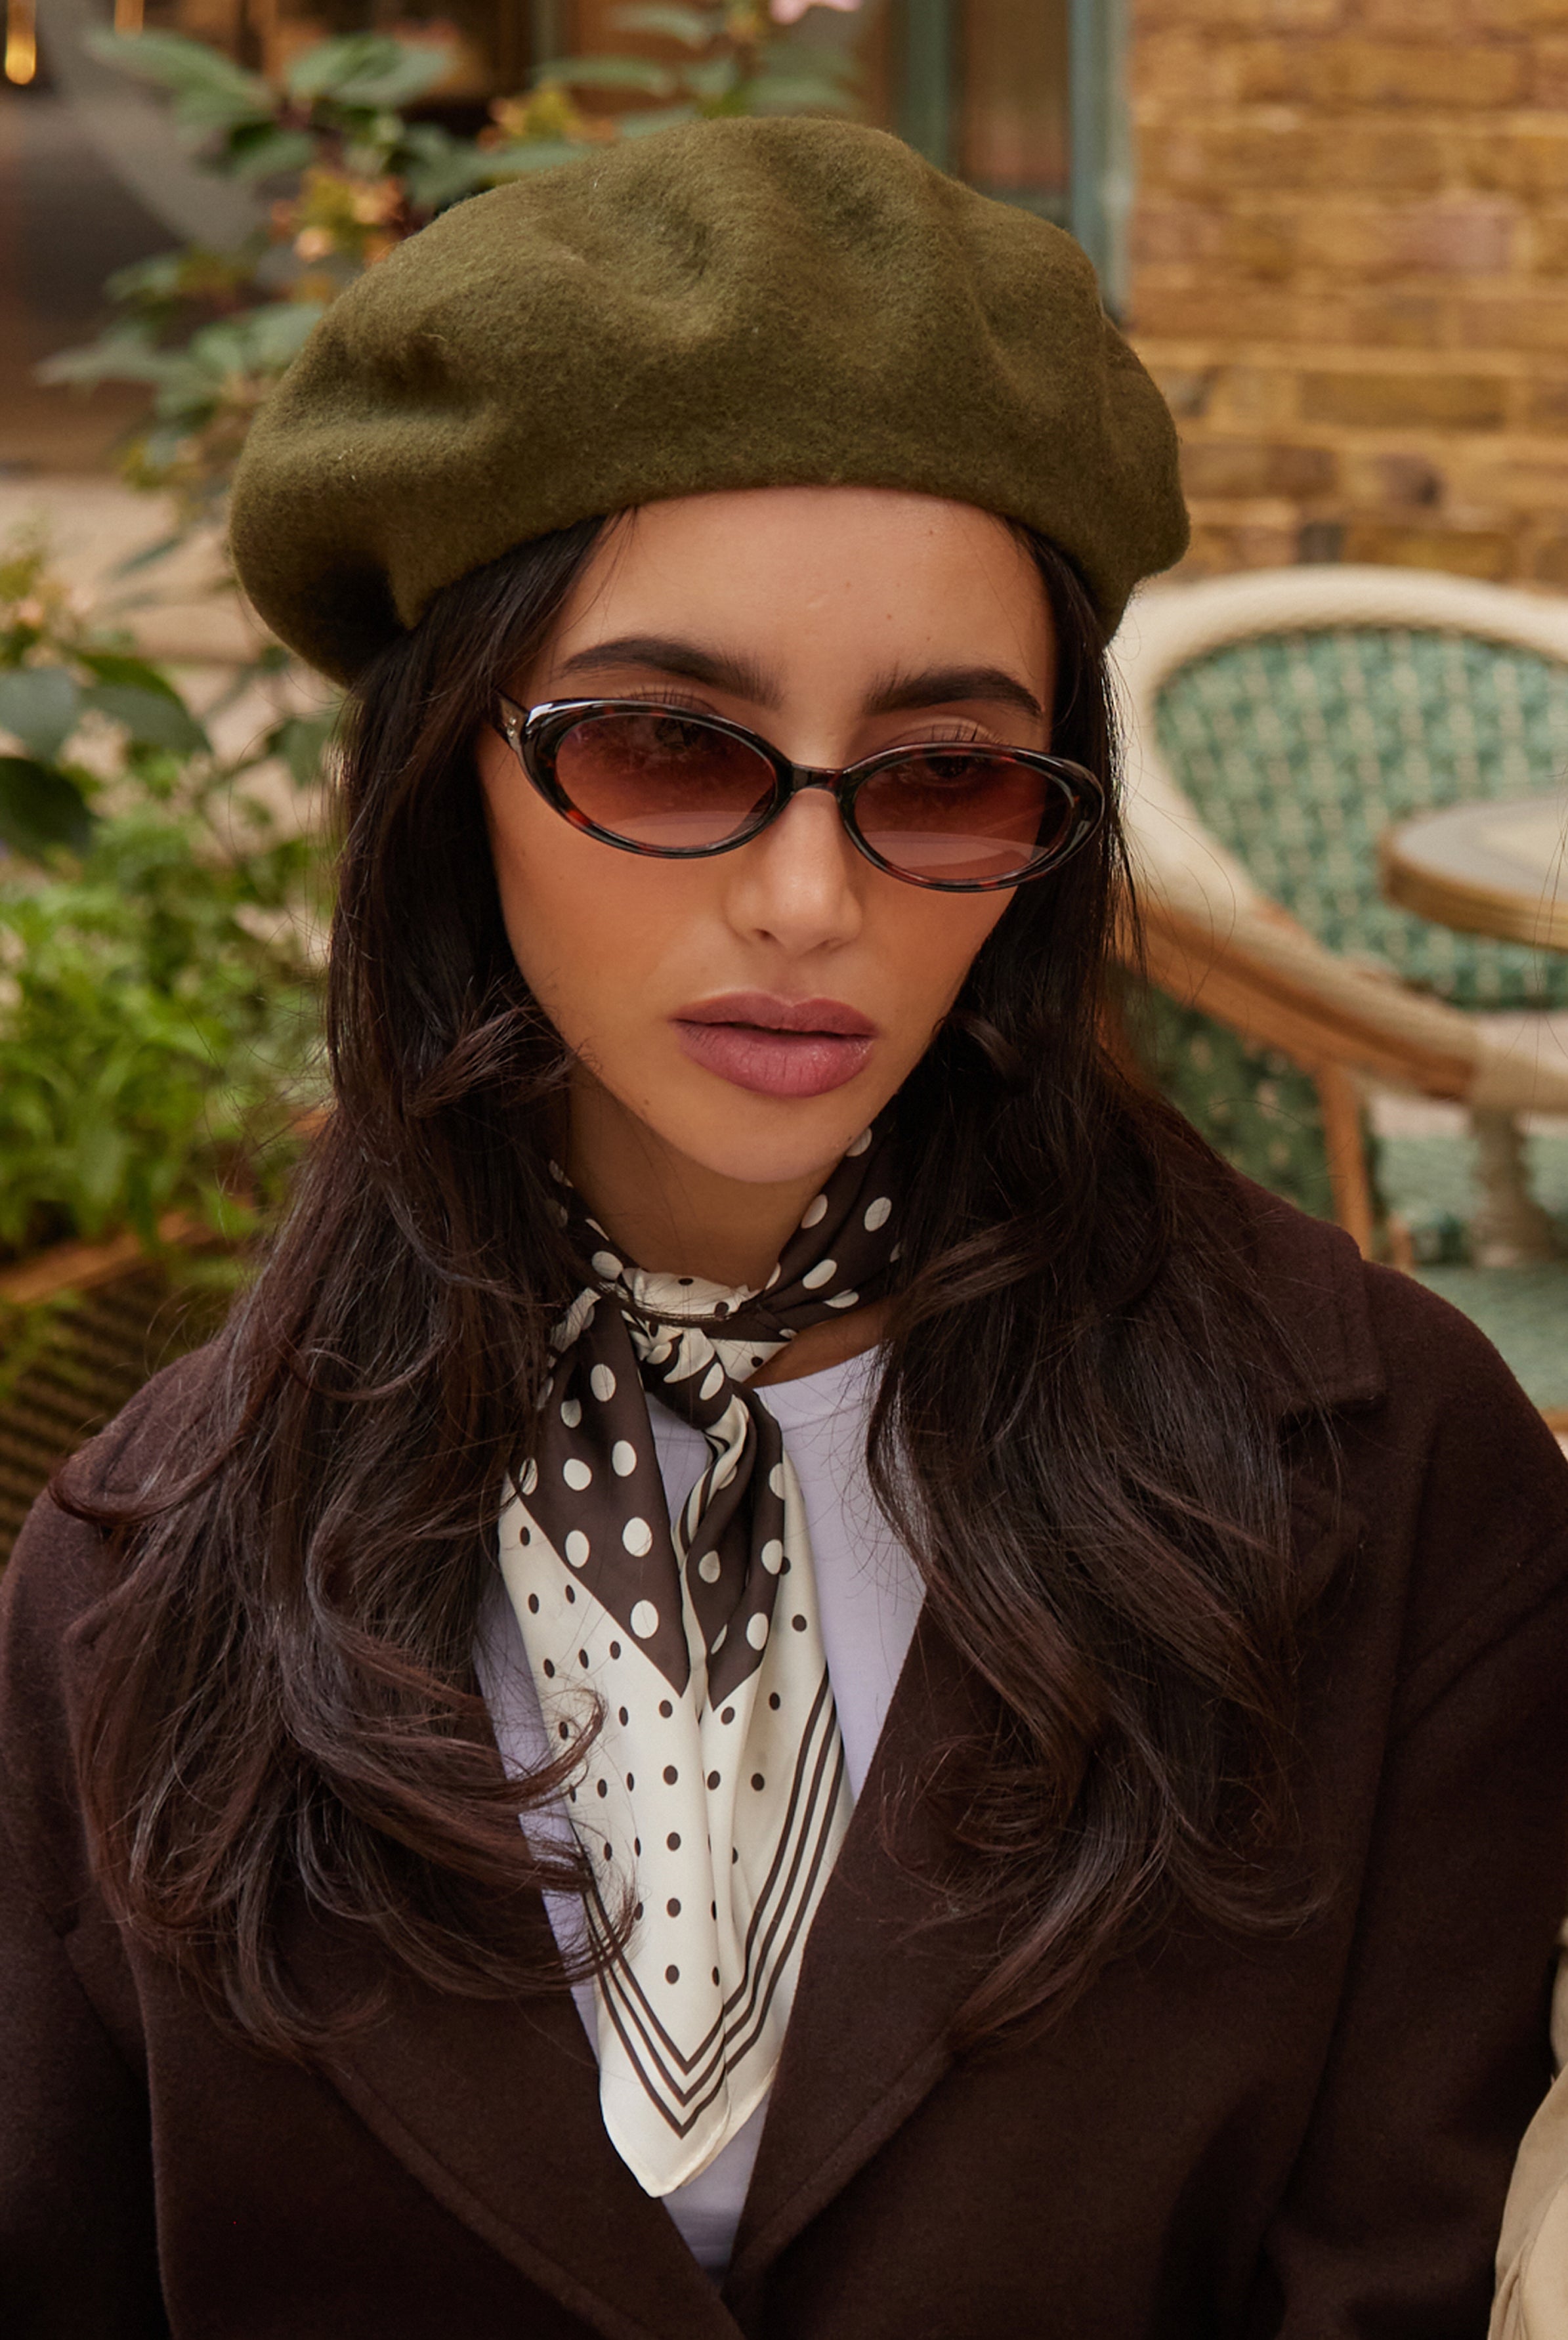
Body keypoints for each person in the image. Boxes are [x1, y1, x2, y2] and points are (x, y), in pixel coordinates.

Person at [2, 116, 1567, 2340]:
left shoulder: (1400, 1481)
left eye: (944, 774)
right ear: (450, 773)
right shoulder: (132, 1577)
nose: (810, 900)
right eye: (667, 745)